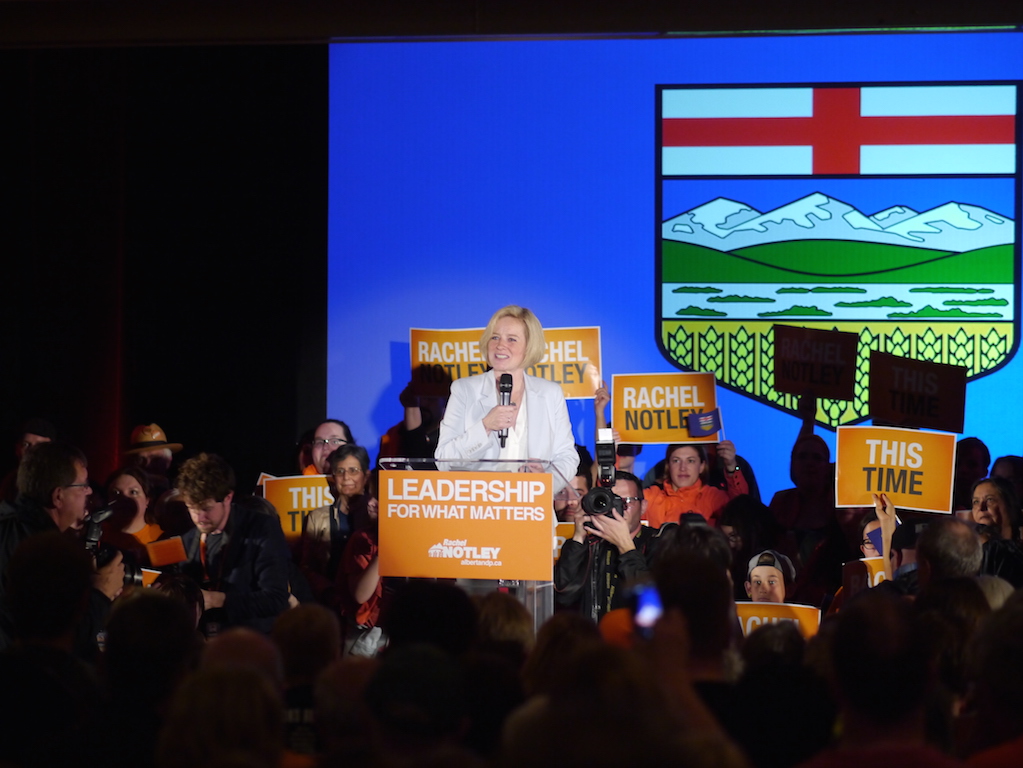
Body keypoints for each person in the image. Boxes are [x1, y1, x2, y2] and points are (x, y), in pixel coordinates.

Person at [0, 441, 124, 657]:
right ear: (58, 496)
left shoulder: (8, 526)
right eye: (82, 485)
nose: (89, 491)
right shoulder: (44, 552)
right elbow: (58, 641)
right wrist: (101, 592)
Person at [435, 305, 578, 491]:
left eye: (512, 339)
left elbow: (567, 456)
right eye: (495, 337)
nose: (500, 345)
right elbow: (443, 459)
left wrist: (545, 480)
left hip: (532, 507)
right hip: (479, 509)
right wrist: (485, 426)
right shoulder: (465, 390)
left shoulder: (550, 393)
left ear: (529, 347)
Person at [175, 452, 291, 635]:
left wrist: (215, 600)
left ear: (228, 497)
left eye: (206, 508)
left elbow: (276, 599)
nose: (199, 517)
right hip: (204, 648)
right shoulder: (187, 539)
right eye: (191, 508)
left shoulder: (261, 528)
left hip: (251, 646)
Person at [554, 470, 657, 622]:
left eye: (626, 502)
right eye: (612, 502)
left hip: (637, 642)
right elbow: (563, 596)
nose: (618, 510)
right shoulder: (589, 544)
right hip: (595, 642)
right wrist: (578, 538)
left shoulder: (658, 541)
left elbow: (652, 600)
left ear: (643, 506)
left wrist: (625, 547)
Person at [297, 444, 370, 609]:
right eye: (340, 471)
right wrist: (328, 591)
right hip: (328, 605)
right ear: (333, 477)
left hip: (369, 609)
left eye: (353, 470)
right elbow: (306, 566)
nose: (346, 477)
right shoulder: (317, 517)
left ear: (366, 476)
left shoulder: (378, 516)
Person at [643, 442, 748, 528]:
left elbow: (741, 507)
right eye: (676, 461)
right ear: (668, 466)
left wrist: (731, 467)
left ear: (702, 466)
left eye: (690, 461)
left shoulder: (712, 497)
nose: (683, 468)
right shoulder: (650, 497)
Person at [0, 417, 56, 503]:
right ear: (17, 449)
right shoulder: (9, 482)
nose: (32, 451)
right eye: (26, 444)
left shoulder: (61, 481)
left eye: (40, 446)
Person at [122, 423, 182, 499]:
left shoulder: (183, 488)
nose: (147, 464)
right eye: (141, 459)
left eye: (155, 459)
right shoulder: (125, 489)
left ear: (168, 459)